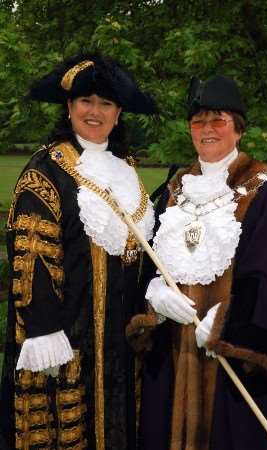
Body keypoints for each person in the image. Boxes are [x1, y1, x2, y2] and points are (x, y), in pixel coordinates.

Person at [126, 74, 267, 450]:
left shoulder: (262, 191)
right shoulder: (174, 191)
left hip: (230, 365)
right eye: (197, 121)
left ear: (237, 129)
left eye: (217, 120)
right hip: (170, 358)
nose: (206, 130)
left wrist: (226, 323)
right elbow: (151, 265)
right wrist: (154, 297)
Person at [0, 52, 157, 450]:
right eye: (86, 101)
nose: (95, 111)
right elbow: (31, 253)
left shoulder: (127, 171)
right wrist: (44, 330)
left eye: (106, 103)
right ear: (69, 107)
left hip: (121, 341)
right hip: (68, 336)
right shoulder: (45, 171)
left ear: (118, 113)